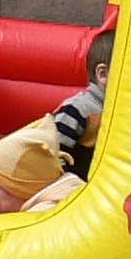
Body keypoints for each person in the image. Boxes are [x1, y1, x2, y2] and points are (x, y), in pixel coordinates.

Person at [51, 27, 115, 181]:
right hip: (70, 185)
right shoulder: (78, 108)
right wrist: (67, 186)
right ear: (103, 74)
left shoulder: (125, 111)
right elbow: (52, 156)